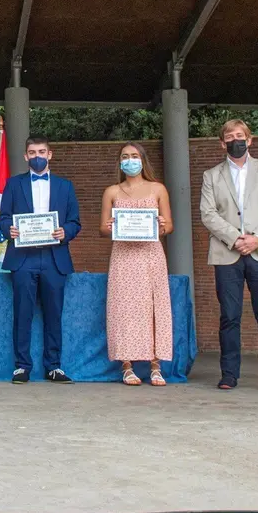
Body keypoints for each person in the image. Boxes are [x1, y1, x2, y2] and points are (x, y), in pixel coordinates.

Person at [199, 119, 258, 392]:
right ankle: (229, 374)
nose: (235, 140)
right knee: (229, 317)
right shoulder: (211, 175)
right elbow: (208, 213)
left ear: (250, 140)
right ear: (222, 142)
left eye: (240, 136)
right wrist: (235, 238)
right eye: (229, 136)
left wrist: (256, 238)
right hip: (228, 253)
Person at [0, 136, 81, 384]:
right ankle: (22, 366)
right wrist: (9, 227)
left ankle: (53, 366)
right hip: (23, 258)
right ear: (25, 156)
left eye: (41, 151)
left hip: (55, 258)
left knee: (54, 314)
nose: (37, 156)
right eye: (32, 153)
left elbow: (75, 222)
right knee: (22, 313)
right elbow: (3, 218)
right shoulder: (13, 184)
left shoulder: (65, 186)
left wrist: (66, 232)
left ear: (50, 154)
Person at [100, 143, 173, 386]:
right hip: (123, 256)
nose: (129, 160)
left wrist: (162, 224)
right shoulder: (112, 191)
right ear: (119, 162)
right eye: (124, 157)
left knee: (153, 307)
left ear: (142, 160)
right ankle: (127, 365)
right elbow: (102, 228)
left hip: (151, 255)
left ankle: (155, 365)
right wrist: (110, 226)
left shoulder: (158, 188)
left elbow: (169, 227)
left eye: (134, 156)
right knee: (124, 309)